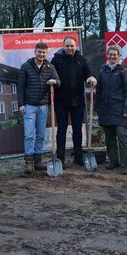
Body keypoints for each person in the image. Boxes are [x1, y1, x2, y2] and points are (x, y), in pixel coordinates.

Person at [50, 36, 97, 167]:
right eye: (67, 46)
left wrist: (91, 78)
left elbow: (88, 73)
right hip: (61, 101)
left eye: (72, 46)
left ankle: (78, 157)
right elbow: (50, 74)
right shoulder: (57, 59)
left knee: (77, 129)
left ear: (75, 46)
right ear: (63, 46)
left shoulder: (81, 59)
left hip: (78, 101)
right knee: (62, 130)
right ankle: (61, 158)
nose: (70, 48)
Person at [18, 42, 60, 174]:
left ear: (46, 53)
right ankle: (29, 163)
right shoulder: (26, 67)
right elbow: (20, 87)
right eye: (39, 52)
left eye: (43, 53)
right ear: (34, 51)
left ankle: (38, 161)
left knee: (41, 135)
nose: (41, 55)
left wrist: (54, 82)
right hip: (29, 106)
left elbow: (58, 82)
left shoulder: (50, 67)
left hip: (43, 106)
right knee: (29, 135)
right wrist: (21, 104)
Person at [95, 45, 127, 173]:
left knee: (122, 135)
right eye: (110, 54)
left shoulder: (123, 71)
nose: (112, 57)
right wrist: (97, 106)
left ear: (119, 56)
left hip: (119, 109)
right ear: (107, 55)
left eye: (114, 55)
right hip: (105, 109)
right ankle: (113, 160)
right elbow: (98, 90)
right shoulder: (103, 70)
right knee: (109, 136)